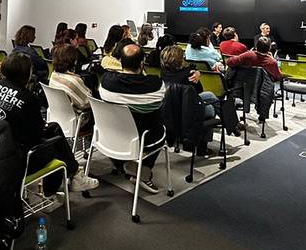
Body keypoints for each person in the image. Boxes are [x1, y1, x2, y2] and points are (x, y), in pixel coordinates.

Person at [0, 53, 97, 192]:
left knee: (54, 128)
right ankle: (62, 184)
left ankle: (74, 176)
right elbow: (36, 134)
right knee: (56, 143)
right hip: (17, 157)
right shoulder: (28, 97)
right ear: (27, 73)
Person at [99, 43, 166, 193]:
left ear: (120, 62)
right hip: (143, 139)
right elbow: (157, 106)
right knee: (159, 128)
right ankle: (144, 171)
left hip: (109, 136)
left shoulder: (105, 82)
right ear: (142, 63)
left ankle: (122, 165)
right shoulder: (156, 85)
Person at [160, 45, 218, 120]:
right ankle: (228, 121)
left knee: (210, 95)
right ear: (181, 60)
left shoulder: (163, 73)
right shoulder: (188, 75)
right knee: (210, 108)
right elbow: (199, 91)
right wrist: (196, 74)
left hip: (171, 105)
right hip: (185, 110)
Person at [48, 44, 92, 112]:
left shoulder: (53, 75)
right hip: (76, 117)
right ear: (73, 61)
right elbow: (87, 103)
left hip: (57, 113)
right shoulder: (74, 81)